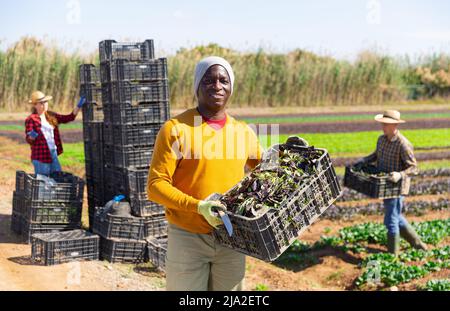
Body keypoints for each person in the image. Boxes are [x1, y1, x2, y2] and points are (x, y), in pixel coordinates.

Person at [147, 56, 263, 291]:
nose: (217, 86)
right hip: (188, 237)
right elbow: (155, 186)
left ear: (231, 87)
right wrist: (198, 206)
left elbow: (268, 170)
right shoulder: (176, 129)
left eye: (223, 80)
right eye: (208, 80)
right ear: (197, 86)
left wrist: (290, 154)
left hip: (232, 237)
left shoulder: (243, 132)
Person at [355, 110, 426, 255]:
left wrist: (399, 174)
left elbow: (413, 167)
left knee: (391, 220)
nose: (383, 126)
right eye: (383, 123)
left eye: (386, 124)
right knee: (396, 216)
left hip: (397, 187)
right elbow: (375, 155)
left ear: (394, 126)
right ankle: (418, 244)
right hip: (384, 185)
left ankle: (392, 256)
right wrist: (363, 160)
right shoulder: (381, 140)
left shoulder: (403, 144)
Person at [25, 91, 85, 176]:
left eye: (46, 102)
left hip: (53, 153)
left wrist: (79, 106)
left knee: (57, 180)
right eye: (41, 103)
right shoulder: (31, 119)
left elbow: (69, 117)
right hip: (41, 156)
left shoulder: (51, 115)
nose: (45, 104)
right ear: (35, 105)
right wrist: (31, 137)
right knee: (44, 184)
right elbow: (29, 139)